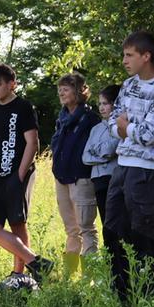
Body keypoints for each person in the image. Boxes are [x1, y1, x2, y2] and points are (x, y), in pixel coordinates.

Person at [104, 31, 154, 299]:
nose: (124, 60)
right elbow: (112, 123)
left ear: (146, 56)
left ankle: (148, 297)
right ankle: (121, 293)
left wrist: (126, 127)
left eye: (129, 55)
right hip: (121, 166)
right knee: (112, 229)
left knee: (141, 233)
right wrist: (126, 128)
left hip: (146, 170)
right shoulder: (128, 85)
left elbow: (150, 135)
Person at [0, 64, 54, 287]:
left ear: (12, 84)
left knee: (17, 224)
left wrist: (19, 175)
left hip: (18, 174)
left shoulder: (23, 107)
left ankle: (18, 275)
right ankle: (37, 263)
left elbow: (33, 142)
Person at [51, 73, 101, 277]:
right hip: (61, 176)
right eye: (60, 88)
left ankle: (90, 278)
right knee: (71, 229)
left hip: (82, 177)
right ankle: (69, 277)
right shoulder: (61, 118)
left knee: (86, 228)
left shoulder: (90, 118)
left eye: (66, 88)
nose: (61, 92)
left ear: (79, 91)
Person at [82, 84, 121, 227]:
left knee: (115, 218)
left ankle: (120, 249)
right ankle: (109, 249)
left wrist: (96, 150)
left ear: (115, 104)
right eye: (100, 104)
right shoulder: (96, 129)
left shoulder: (119, 126)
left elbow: (110, 150)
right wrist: (103, 155)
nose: (101, 108)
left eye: (105, 104)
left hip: (112, 176)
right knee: (104, 219)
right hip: (97, 180)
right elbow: (85, 157)